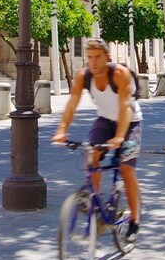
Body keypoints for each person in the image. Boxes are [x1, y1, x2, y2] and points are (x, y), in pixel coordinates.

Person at [52, 39, 142, 241]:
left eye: (97, 57)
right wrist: (61, 130)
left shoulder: (120, 74)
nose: (93, 62)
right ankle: (97, 204)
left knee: (126, 169)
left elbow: (125, 107)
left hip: (130, 123)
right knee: (91, 155)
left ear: (107, 57)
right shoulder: (83, 76)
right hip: (104, 120)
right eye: (89, 57)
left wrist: (119, 136)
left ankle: (134, 221)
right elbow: (72, 104)